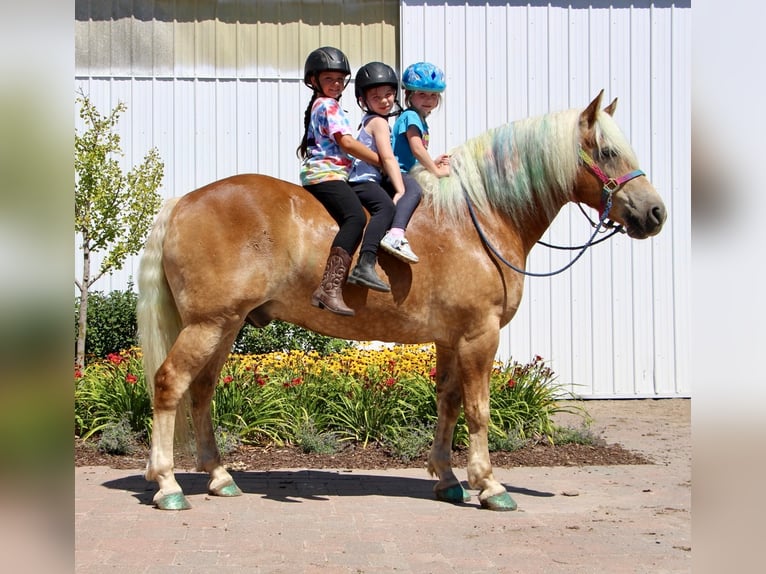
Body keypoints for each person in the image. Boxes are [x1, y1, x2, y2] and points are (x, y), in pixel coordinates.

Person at [297, 46, 392, 317]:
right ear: (314, 81)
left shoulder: (322, 104)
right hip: (327, 174)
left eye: (340, 79)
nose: (336, 84)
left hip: (324, 172)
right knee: (355, 218)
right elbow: (346, 142)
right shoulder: (328, 105)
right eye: (329, 79)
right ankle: (329, 287)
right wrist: (380, 161)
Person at [348, 62, 422, 266]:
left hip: (370, 178)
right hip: (363, 179)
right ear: (363, 100)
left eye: (388, 94)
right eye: (375, 97)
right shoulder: (379, 123)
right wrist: (400, 189)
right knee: (393, 203)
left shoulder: (373, 120)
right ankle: (369, 257)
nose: (384, 101)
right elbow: (388, 158)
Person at [387, 62, 450, 261]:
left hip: (406, 169)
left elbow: (415, 153)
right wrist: (436, 171)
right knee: (413, 190)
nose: (428, 100)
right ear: (409, 95)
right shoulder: (411, 116)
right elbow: (416, 148)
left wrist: (432, 161)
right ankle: (395, 234)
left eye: (433, 95)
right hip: (397, 172)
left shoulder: (420, 119)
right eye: (422, 94)